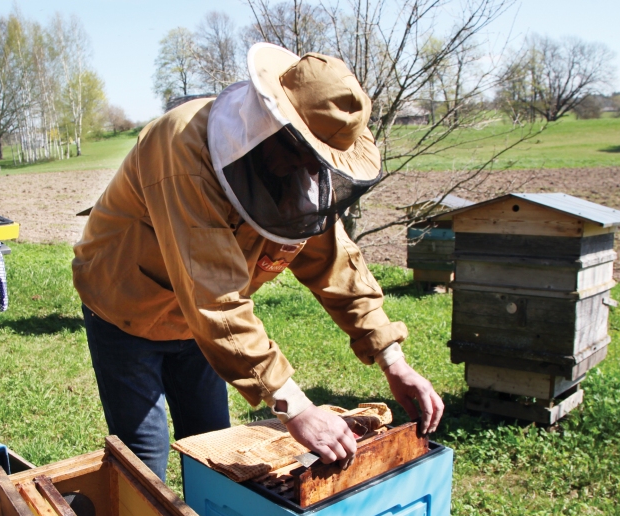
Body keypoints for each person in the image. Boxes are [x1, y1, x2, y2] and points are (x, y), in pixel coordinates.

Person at [73, 43, 444, 481]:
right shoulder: (181, 149)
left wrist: (392, 358)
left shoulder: (301, 170)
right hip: (124, 310)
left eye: (320, 161)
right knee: (143, 461)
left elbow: (336, 264)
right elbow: (216, 296)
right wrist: (295, 406)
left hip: (198, 329)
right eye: (300, 150)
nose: (308, 171)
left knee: (212, 450)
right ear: (269, 120)